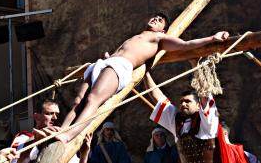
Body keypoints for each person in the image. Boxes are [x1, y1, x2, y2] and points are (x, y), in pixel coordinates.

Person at [60, 13, 229, 143]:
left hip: (120, 66)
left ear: (163, 30)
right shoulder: (135, 36)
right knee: (78, 101)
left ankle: (68, 136)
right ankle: (61, 131)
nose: (156, 19)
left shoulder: (159, 38)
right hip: (104, 63)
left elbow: (186, 45)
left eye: (160, 20)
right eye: (155, 17)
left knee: (92, 100)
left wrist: (212, 38)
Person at [144, 72, 221, 163]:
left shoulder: (207, 122)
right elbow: (157, 97)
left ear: (198, 105)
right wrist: (146, 73)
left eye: (187, 101)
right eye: (181, 102)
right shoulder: (177, 122)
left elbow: (205, 95)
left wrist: (196, 65)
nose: (183, 104)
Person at [10, 99, 92, 163]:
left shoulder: (63, 140)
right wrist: (35, 142)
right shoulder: (23, 139)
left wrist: (84, 155)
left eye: (57, 114)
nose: (55, 118)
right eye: (49, 113)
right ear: (36, 117)